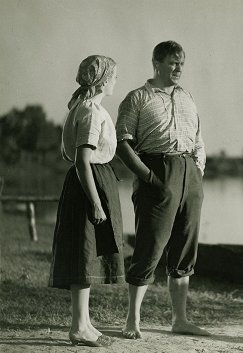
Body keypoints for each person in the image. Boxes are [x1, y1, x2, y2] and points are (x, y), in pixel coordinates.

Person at [115, 40, 209, 338]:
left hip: (189, 177)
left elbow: (197, 138)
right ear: (156, 63)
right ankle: (133, 321)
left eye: (181, 62)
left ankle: (179, 320)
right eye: (172, 62)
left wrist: (196, 172)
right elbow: (122, 143)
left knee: (184, 250)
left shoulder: (187, 96)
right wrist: (148, 176)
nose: (178, 68)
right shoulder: (137, 98)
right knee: (149, 247)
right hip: (157, 173)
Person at [49, 55, 124, 347]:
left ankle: (84, 322)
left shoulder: (81, 107)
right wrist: (95, 202)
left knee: (87, 253)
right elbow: (82, 160)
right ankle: (78, 326)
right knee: (83, 252)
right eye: (115, 77)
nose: (116, 82)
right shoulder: (91, 111)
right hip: (89, 183)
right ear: (104, 80)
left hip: (91, 180)